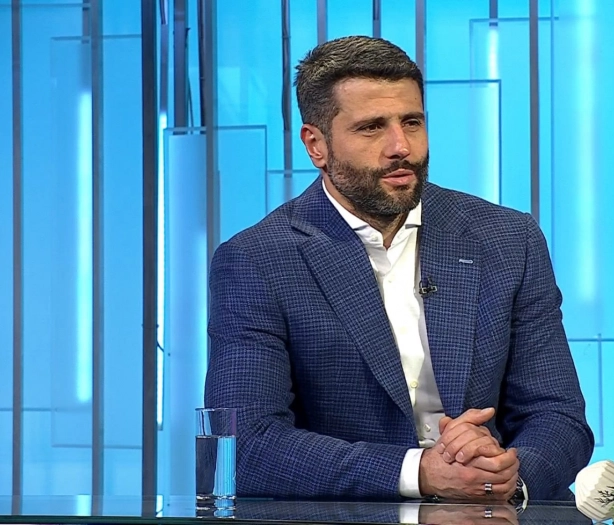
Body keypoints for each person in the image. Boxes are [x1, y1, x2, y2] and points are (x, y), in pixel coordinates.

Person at [204, 35, 593, 503]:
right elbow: (246, 445)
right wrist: (419, 473)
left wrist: (506, 474)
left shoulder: (507, 239)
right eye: (371, 128)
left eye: (412, 122)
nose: (400, 147)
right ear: (316, 145)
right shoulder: (258, 260)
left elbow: (558, 417)